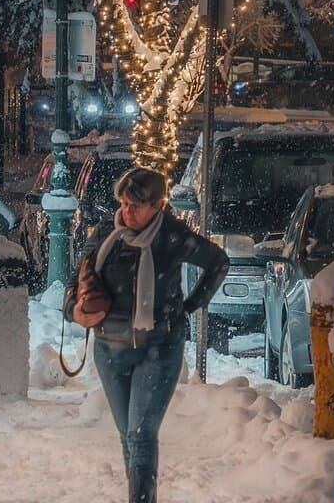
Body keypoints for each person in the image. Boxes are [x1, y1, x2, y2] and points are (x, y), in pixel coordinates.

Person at [80, 167, 228, 503]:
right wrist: (78, 307)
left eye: (135, 205)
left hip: (158, 349)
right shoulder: (107, 231)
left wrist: (190, 306)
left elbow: (218, 262)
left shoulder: (171, 236)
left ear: (156, 207)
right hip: (109, 348)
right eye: (123, 202)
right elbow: (82, 274)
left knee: (141, 434)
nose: (127, 211)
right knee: (126, 435)